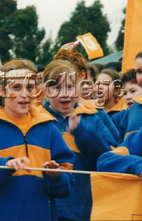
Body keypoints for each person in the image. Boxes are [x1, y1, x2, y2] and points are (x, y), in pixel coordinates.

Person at [0, 59, 75, 220]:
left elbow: (66, 187)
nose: (24, 94)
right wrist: (1, 168)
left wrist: (56, 176)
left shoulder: (49, 129)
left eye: (30, 87)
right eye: (16, 87)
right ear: (1, 90)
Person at [41, 60, 117, 220]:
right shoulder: (34, 119)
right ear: (45, 89)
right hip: (44, 209)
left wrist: (85, 134)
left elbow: (111, 159)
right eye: (57, 88)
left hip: (83, 209)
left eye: (70, 87)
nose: (65, 93)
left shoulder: (95, 117)